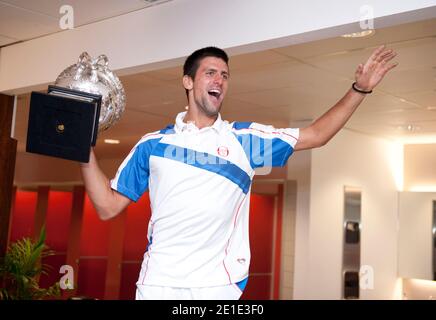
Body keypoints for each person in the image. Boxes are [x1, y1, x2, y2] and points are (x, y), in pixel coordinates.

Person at [80, 45, 397, 300]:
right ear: (188, 81)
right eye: (210, 73)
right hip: (156, 284)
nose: (219, 80)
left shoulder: (244, 140)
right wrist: (83, 152)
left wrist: (359, 89)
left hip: (216, 287)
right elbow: (107, 207)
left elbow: (316, 135)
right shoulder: (152, 145)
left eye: (225, 75)